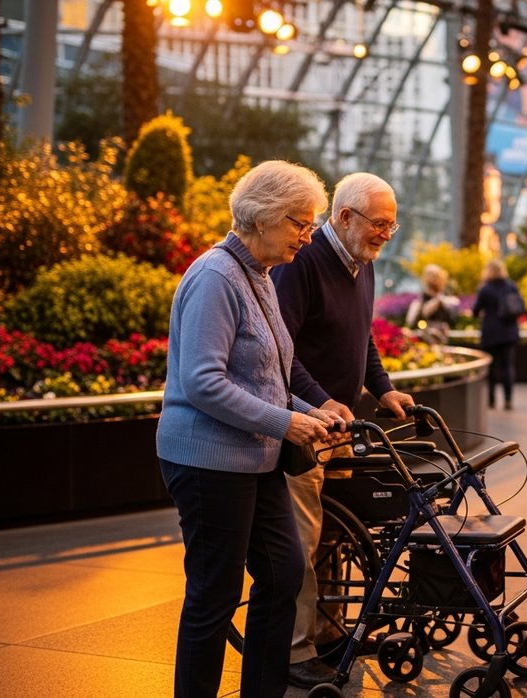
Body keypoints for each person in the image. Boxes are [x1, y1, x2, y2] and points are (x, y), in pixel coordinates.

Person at [156, 160, 344, 698]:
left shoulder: (257, 275)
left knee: (284, 574)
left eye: (310, 225)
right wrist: (288, 422)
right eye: (299, 224)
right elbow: (202, 382)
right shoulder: (216, 277)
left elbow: (264, 376)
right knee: (214, 595)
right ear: (260, 218)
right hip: (206, 460)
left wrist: (312, 411)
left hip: (254, 457)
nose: (307, 237)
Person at [271, 171, 414, 688]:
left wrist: (383, 388)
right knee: (304, 541)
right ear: (345, 216)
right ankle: (294, 650)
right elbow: (279, 349)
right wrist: (321, 400)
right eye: (378, 223)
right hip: (307, 427)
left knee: (336, 536)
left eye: (391, 226)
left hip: (343, 426)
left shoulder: (361, 262)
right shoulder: (301, 262)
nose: (384, 233)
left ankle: (330, 636)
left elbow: (363, 338)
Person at [472, 258, 522, 409]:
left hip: (491, 333)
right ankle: (508, 400)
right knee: (508, 366)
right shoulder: (511, 286)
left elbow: (476, 310)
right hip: (509, 332)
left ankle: (491, 400)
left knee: (492, 368)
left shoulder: (485, 289)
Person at [404, 263, 460, 345]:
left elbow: (451, 319)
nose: (434, 280)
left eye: (436, 276)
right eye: (432, 276)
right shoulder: (423, 299)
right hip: (427, 338)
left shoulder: (443, 298)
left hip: (441, 338)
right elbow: (417, 320)